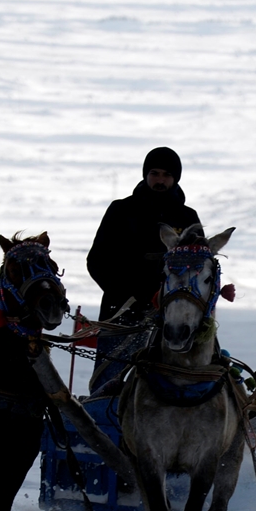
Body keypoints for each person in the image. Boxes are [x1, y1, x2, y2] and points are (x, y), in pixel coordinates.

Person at [85, 147, 201, 392]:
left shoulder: (188, 217)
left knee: (170, 389)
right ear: (145, 175)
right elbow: (97, 261)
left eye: (167, 175)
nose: (160, 180)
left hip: (173, 320)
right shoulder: (120, 210)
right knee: (109, 388)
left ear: (176, 178)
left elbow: (199, 267)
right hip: (122, 314)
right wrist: (132, 295)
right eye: (154, 173)